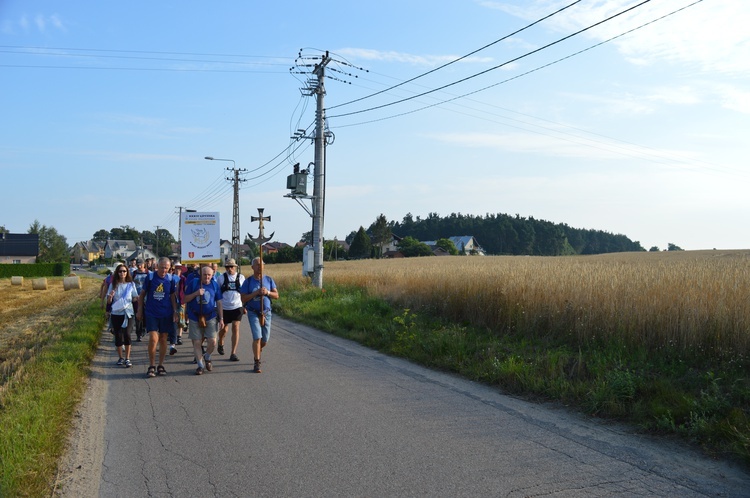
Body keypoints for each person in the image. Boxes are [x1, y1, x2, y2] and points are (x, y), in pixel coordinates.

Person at [136, 257, 178, 378]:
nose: (164, 270)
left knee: (164, 338)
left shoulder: (170, 279)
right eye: (162, 267)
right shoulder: (150, 277)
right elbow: (142, 294)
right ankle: (151, 365)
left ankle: (160, 365)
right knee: (154, 338)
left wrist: (175, 311)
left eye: (166, 268)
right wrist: (139, 310)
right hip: (151, 312)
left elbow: (172, 296)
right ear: (157, 267)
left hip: (166, 313)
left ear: (169, 268)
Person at [240, 257, 278, 373]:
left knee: (265, 339)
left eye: (261, 264)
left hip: (266, 312)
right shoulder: (248, 281)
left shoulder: (269, 280)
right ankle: (257, 362)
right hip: (253, 312)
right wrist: (256, 292)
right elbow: (243, 298)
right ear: (252, 267)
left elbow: (276, 295)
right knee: (257, 337)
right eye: (257, 265)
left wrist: (267, 292)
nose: (259, 267)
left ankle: (258, 350)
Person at [184, 264, 224, 375]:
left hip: (210, 316)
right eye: (205, 275)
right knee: (197, 342)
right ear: (201, 275)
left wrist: (221, 318)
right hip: (194, 316)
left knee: (212, 341)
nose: (207, 277)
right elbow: (185, 298)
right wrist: (196, 293)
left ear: (212, 275)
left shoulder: (214, 285)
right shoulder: (194, 283)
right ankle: (200, 365)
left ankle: (207, 356)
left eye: (209, 275)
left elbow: (219, 302)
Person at [106, 263, 138, 367]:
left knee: (127, 334)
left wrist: (135, 300)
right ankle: (120, 357)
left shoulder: (131, 285)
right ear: (117, 273)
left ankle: (127, 358)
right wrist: (110, 297)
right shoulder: (113, 285)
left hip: (128, 313)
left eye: (124, 271)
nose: (122, 273)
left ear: (127, 272)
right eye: (120, 271)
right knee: (118, 336)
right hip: (116, 313)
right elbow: (109, 301)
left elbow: (135, 298)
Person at [216, 258, 245, 361]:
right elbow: (217, 293)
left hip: (237, 306)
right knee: (224, 329)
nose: (229, 269)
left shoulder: (241, 278)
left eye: (231, 267)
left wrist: (244, 306)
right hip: (224, 307)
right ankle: (220, 342)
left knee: (236, 327)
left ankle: (233, 353)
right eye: (227, 267)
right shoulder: (221, 278)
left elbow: (244, 293)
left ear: (235, 267)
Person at [131, 258, 150, 342]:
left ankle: (144, 328)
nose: (139, 266)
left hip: (147, 298)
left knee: (146, 315)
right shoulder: (133, 273)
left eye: (141, 264)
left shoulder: (149, 273)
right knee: (137, 316)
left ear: (144, 264)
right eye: (138, 264)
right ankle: (138, 334)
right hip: (136, 298)